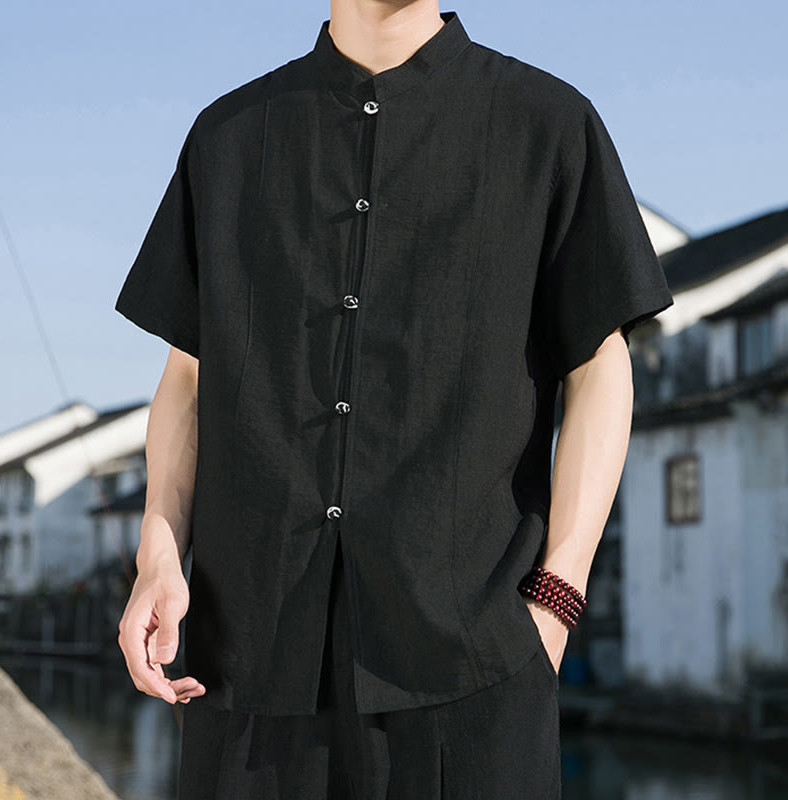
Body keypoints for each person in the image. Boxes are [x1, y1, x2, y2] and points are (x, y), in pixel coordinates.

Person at [115, 1, 674, 797]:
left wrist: (557, 599)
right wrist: (158, 554)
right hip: (246, 661)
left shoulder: (548, 124)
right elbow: (188, 377)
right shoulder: (229, 136)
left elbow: (599, 364)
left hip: (475, 664)